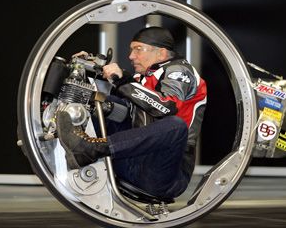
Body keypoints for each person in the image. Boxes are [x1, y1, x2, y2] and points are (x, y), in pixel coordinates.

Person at [56, 26, 207, 199]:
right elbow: (124, 104)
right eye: (131, 50)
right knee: (101, 102)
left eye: (138, 49)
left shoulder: (180, 72)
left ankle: (91, 149)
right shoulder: (141, 78)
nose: (131, 56)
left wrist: (121, 80)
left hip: (164, 174)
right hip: (132, 159)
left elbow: (165, 107)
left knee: (175, 126)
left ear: (162, 53)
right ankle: (63, 131)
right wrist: (89, 67)